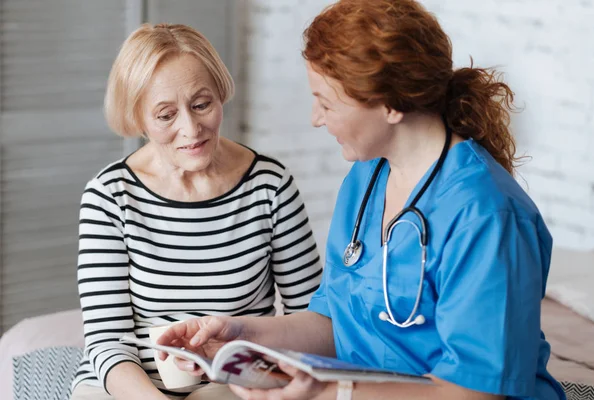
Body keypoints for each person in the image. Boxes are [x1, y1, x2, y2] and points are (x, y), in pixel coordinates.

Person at [156, 1, 568, 399]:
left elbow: (475, 393)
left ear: (390, 105)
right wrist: (239, 333)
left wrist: (335, 393)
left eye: (327, 103)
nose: (316, 118)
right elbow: (334, 322)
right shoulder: (367, 178)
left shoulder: (488, 215)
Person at [70, 23, 323, 400]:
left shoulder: (270, 185)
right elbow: (107, 340)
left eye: (201, 104)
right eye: (166, 115)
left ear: (220, 94)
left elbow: (313, 319)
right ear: (138, 118)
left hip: (232, 383)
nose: (191, 129)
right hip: (130, 386)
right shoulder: (109, 195)